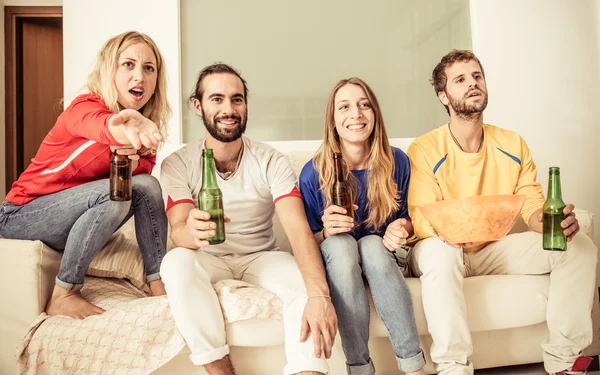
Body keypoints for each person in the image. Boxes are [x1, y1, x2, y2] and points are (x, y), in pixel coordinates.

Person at [407, 49, 597, 375]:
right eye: (461, 80)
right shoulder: (424, 148)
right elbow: (422, 218)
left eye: (477, 76)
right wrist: (453, 233)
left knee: (578, 246)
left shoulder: (513, 143)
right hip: (441, 246)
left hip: (492, 248)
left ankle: (564, 361)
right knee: (441, 253)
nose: (472, 84)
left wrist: (552, 222)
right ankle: (453, 367)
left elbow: (532, 206)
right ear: (443, 96)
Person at [159, 63, 337, 375]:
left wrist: (320, 294)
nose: (228, 109)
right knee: (175, 263)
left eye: (237, 99)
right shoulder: (178, 163)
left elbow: (297, 230)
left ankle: (307, 371)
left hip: (260, 257)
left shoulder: (271, 161)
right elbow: (177, 230)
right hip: (208, 257)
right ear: (197, 106)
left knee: (304, 283)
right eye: (217, 99)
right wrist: (192, 231)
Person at [0, 31, 172, 319]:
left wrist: (138, 137)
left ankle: (158, 281)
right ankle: (64, 293)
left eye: (148, 68)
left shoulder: (145, 136)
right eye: (128, 64)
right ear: (110, 70)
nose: (139, 76)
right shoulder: (85, 107)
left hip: (71, 221)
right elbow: (106, 126)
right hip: (20, 216)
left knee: (147, 185)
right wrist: (128, 127)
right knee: (117, 192)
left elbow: (139, 194)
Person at [297, 77, 426, 375]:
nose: (356, 114)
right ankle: (359, 368)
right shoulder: (313, 173)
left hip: (384, 260)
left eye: (364, 105)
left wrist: (402, 228)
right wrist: (326, 231)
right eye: (344, 107)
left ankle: (413, 367)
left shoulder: (397, 161)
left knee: (370, 243)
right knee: (342, 246)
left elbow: (411, 218)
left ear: (375, 114)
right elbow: (307, 243)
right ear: (333, 120)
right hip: (340, 266)